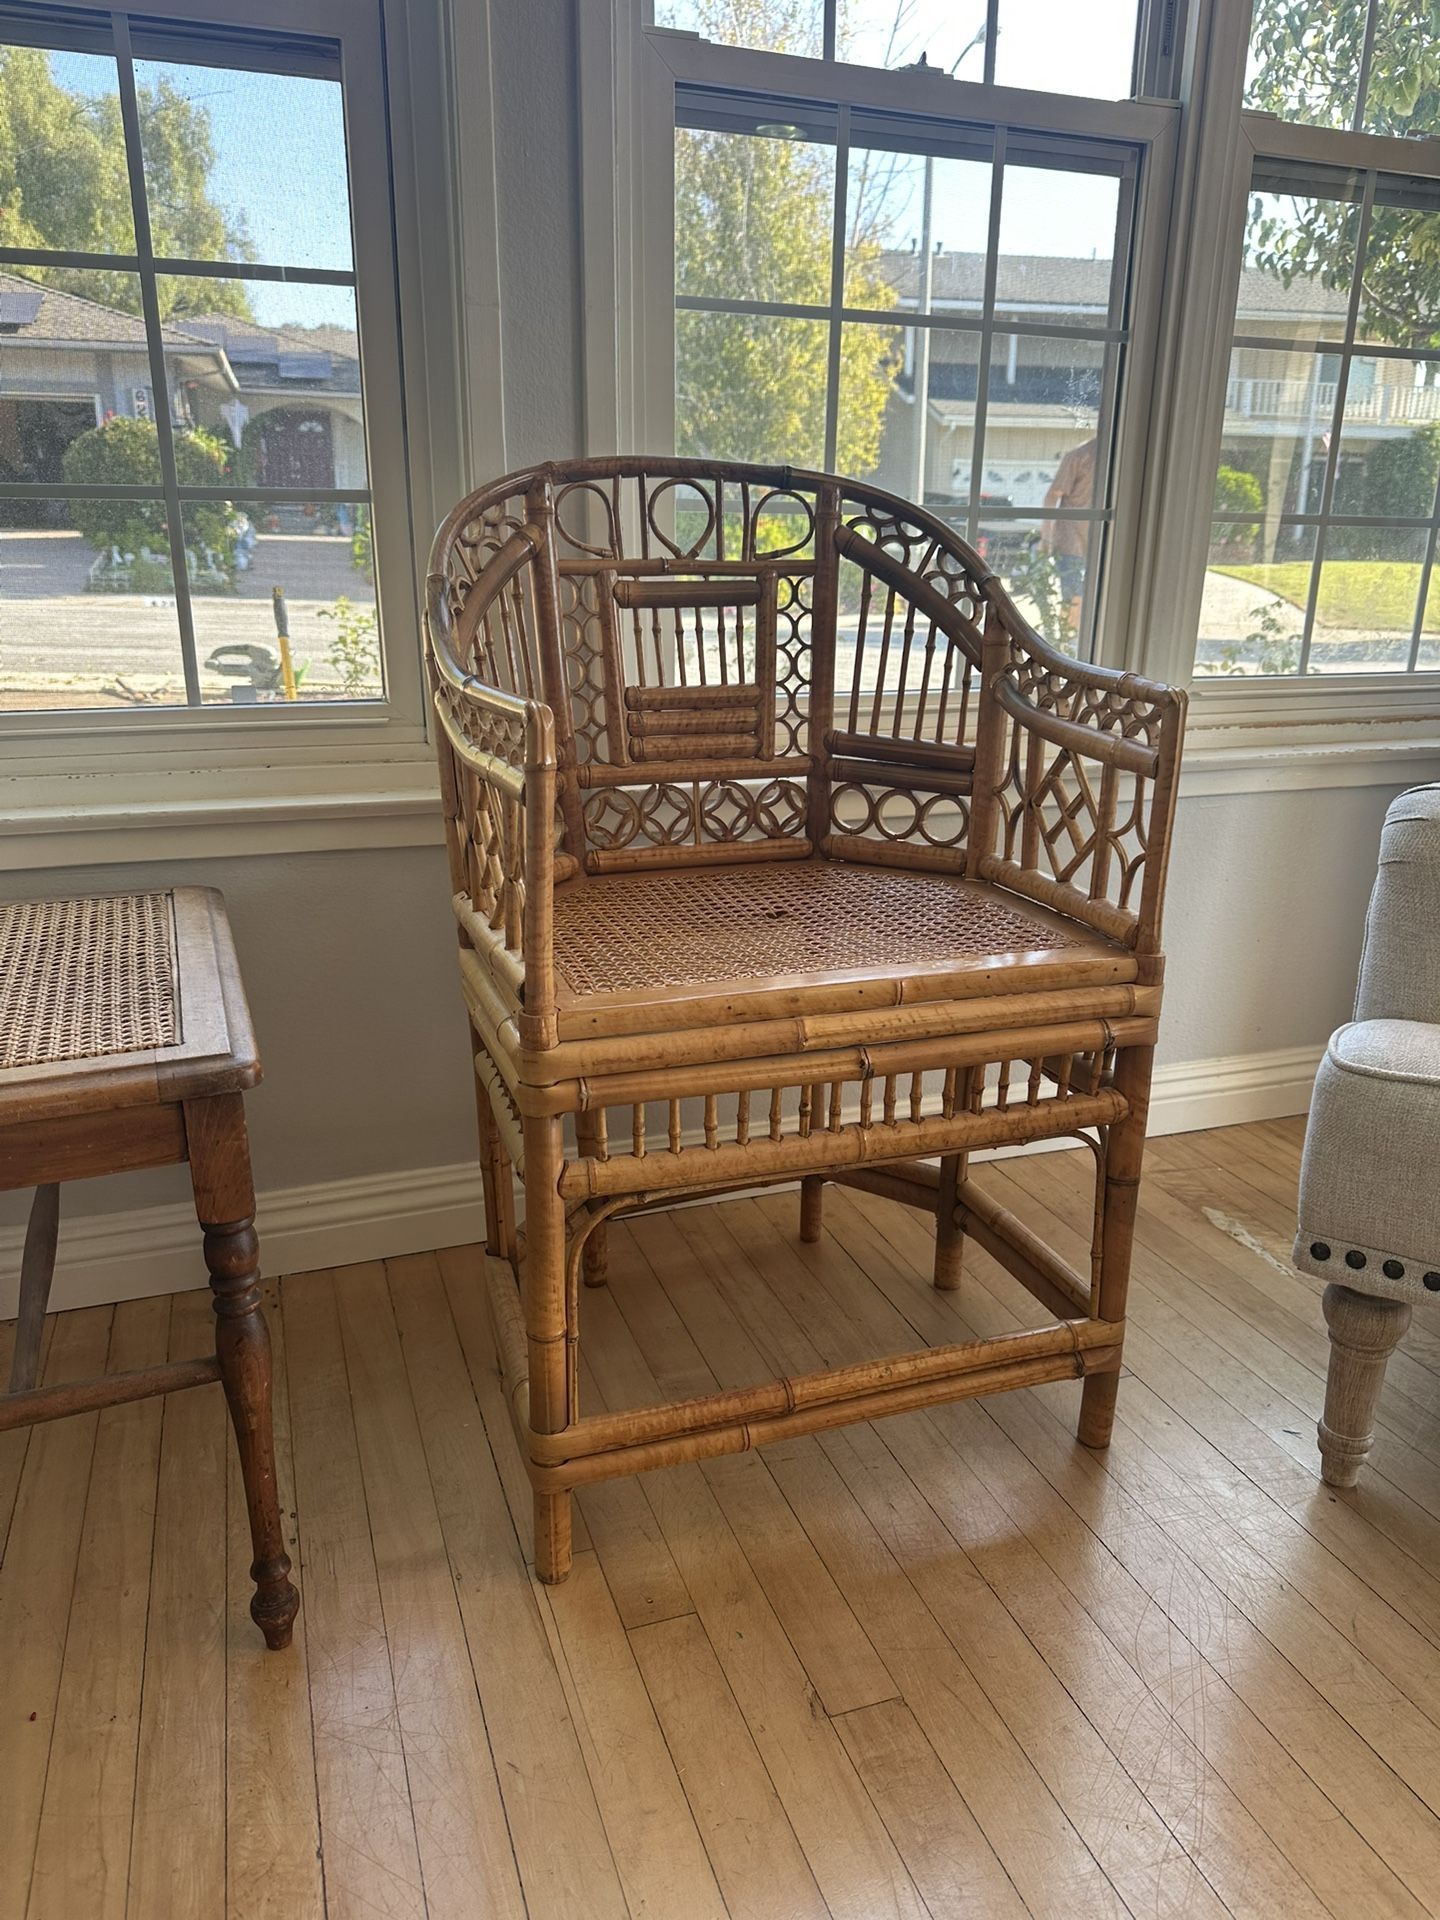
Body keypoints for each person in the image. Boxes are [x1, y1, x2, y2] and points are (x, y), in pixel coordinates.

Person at [1041, 435, 1096, 635]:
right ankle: (1068, 639)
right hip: (1072, 540)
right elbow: (1052, 496)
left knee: (1079, 595)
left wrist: (1046, 539)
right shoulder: (1080, 456)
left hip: (1093, 541)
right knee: (1073, 594)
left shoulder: (1115, 459)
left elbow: (1051, 497)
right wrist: (1046, 537)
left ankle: (1070, 638)